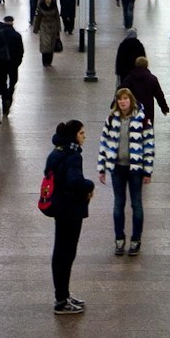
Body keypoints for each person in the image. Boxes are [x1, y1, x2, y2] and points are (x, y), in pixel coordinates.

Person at [44, 120, 96, 313]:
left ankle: (63, 295)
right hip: (71, 210)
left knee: (60, 252)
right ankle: (61, 300)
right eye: (82, 133)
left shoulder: (56, 152)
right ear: (74, 135)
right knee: (66, 253)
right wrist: (89, 185)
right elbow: (74, 181)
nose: (85, 136)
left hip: (59, 208)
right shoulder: (73, 155)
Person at [96, 87, 155, 256]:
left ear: (131, 100)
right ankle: (119, 238)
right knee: (118, 204)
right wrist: (102, 168)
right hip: (117, 168)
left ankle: (136, 239)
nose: (122, 102)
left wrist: (147, 171)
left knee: (136, 203)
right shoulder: (111, 119)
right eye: (120, 99)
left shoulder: (142, 119)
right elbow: (104, 143)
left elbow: (149, 145)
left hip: (135, 169)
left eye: (125, 99)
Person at [119, 51, 170, 124]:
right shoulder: (152, 79)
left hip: (133, 108)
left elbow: (121, 90)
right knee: (147, 128)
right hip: (148, 109)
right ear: (146, 65)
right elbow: (159, 95)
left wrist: (114, 103)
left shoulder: (130, 78)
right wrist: (164, 108)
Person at [33, 0, 65, 66]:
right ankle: (45, 61)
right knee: (45, 44)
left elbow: (57, 17)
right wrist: (36, 29)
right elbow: (38, 18)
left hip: (53, 27)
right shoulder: (41, 6)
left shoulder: (54, 6)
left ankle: (49, 61)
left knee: (51, 45)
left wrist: (58, 28)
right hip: (44, 27)